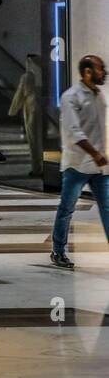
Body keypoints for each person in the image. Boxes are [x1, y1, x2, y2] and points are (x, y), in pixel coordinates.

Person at [50, 54, 109, 269]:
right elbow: (74, 132)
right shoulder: (71, 97)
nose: (104, 72)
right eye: (100, 68)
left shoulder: (98, 95)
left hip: (100, 167)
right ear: (87, 72)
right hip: (77, 165)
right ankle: (58, 250)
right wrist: (95, 153)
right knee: (67, 208)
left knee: (108, 208)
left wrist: (100, 156)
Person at [9, 54, 44, 177]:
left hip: (31, 107)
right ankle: (43, 166)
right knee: (42, 140)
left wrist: (12, 110)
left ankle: (37, 169)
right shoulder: (45, 75)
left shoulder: (27, 77)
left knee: (33, 140)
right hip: (43, 108)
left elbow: (20, 93)